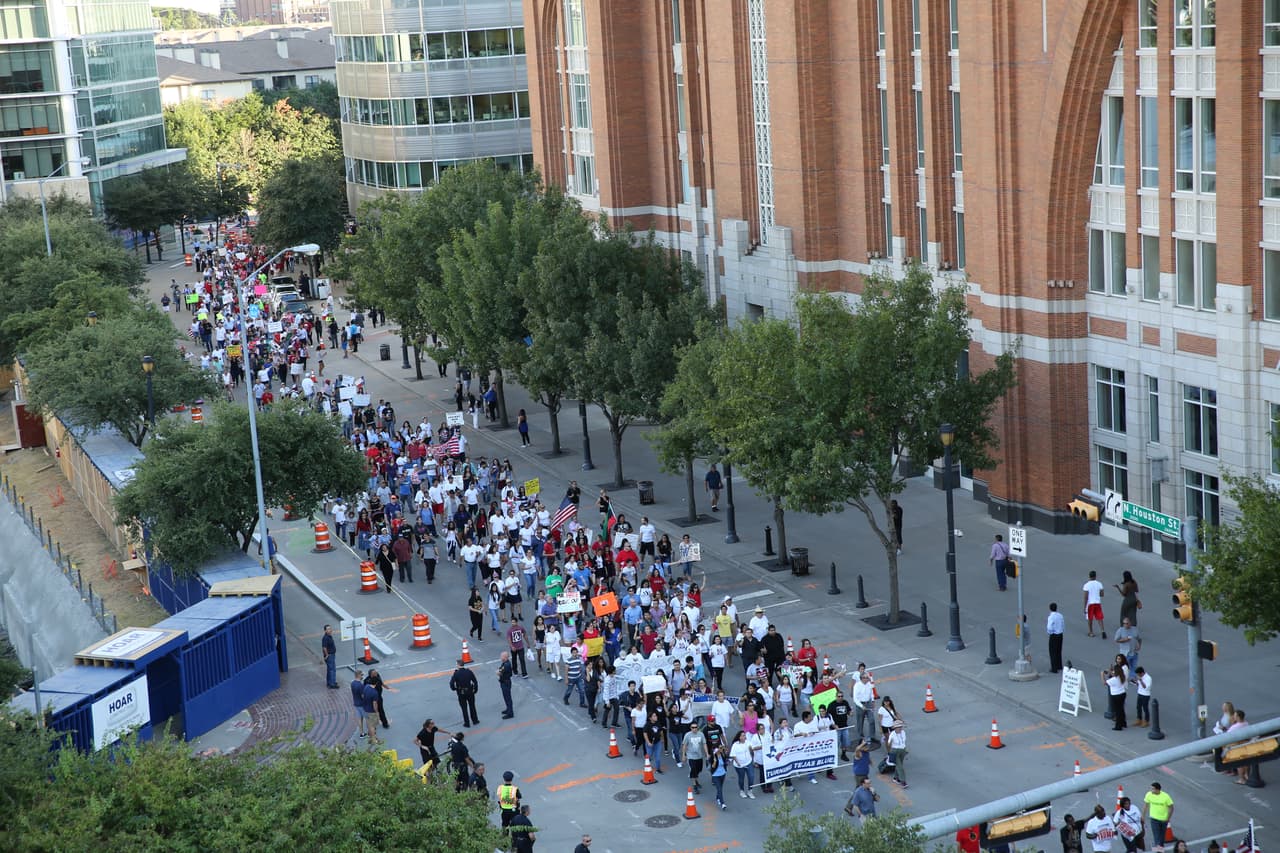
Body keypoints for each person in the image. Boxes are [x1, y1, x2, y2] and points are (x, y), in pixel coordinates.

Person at [1142, 782, 1174, 852]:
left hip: (1163, 820)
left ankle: (1160, 850)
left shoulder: (1166, 796)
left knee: (1161, 838)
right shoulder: (1149, 794)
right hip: (1154, 819)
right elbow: (1145, 806)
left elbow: (1171, 807)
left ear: (1158, 790)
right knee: (1157, 837)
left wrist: (1168, 818)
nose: (1151, 790)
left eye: (1153, 789)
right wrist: (1143, 816)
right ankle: (1158, 850)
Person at [449, 658, 480, 727]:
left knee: (464, 708)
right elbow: (475, 681)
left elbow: (451, 683)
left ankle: (467, 723)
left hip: (461, 693)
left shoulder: (456, 673)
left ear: (458, 665)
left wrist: (454, 689)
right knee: (472, 706)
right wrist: (475, 689)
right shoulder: (469, 671)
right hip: (470, 691)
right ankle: (475, 720)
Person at [682, 720, 708, 793]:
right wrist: (683, 755)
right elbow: (684, 745)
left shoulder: (701, 734)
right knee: (693, 769)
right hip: (691, 756)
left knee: (698, 770)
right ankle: (695, 786)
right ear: (690, 728)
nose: (694, 729)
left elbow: (704, 744)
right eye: (692, 727)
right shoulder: (687, 735)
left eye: (695, 727)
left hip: (699, 756)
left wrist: (707, 753)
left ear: (698, 727)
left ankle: (696, 780)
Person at [729, 730, 755, 798]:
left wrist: (751, 750)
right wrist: (738, 763)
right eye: (743, 735)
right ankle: (742, 791)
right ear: (739, 737)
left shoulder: (748, 742)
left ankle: (750, 791)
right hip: (739, 765)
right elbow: (733, 755)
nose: (744, 737)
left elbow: (752, 751)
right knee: (741, 778)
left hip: (748, 762)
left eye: (744, 735)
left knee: (751, 777)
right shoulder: (735, 745)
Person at [1083, 570, 1107, 638]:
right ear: (1095, 576)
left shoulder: (1086, 585)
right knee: (1099, 617)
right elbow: (1102, 594)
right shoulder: (1099, 584)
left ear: (1089, 576)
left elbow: (1086, 597)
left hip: (1090, 604)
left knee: (1090, 618)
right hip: (1097, 603)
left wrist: (1084, 607)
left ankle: (1091, 632)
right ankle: (1103, 630)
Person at [1104, 664, 1128, 730]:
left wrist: (1102, 675)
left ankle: (1118, 726)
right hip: (1122, 694)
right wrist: (1110, 671)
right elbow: (1114, 674)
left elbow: (1104, 683)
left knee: (1117, 711)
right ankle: (1123, 723)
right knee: (1121, 709)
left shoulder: (1114, 679)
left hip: (1116, 695)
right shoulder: (1121, 676)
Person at [887, 719, 908, 787]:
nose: (900, 728)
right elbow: (889, 744)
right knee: (900, 766)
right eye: (899, 727)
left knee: (899, 765)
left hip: (902, 750)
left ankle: (896, 778)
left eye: (901, 727)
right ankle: (903, 781)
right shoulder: (892, 734)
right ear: (895, 728)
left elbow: (903, 742)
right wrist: (889, 752)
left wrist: (905, 749)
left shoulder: (903, 732)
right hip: (895, 751)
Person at [1046, 602, 1066, 673]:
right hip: (1060, 634)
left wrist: (1050, 632)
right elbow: (1063, 624)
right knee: (1058, 650)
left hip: (1054, 635)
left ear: (1050, 609)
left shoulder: (1051, 617)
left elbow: (1049, 627)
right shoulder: (1060, 615)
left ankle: (1054, 668)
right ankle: (1059, 665)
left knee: (1052, 651)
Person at [498, 651, 515, 719]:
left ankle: (510, 713)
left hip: (505, 682)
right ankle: (508, 709)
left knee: (507, 697)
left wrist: (498, 672)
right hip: (505, 681)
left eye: (502, 656)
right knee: (506, 697)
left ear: (505, 657)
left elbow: (499, 672)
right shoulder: (505, 663)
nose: (500, 657)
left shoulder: (506, 665)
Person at [321, 624, 338, 688]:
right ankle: (332, 684)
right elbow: (324, 647)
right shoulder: (325, 638)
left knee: (329, 669)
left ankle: (329, 682)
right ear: (325, 631)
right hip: (330, 656)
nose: (330, 630)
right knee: (332, 670)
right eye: (328, 629)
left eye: (330, 629)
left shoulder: (329, 636)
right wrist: (327, 655)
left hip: (331, 655)